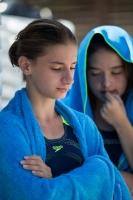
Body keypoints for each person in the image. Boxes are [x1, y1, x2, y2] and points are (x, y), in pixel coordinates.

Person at [0, 19, 131, 200]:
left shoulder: (85, 126)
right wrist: (99, 171)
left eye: (72, 67)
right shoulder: (7, 129)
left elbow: (116, 192)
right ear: (26, 65)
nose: (69, 78)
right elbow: (34, 195)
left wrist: (54, 180)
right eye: (57, 68)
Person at [62, 25, 133, 197]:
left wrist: (122, 123)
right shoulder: (65, 111)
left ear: (129, 72)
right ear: (83, 75)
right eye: (95, 73)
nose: (106, 83)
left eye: (115, 72)